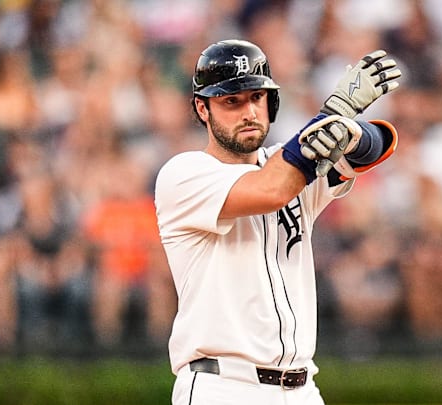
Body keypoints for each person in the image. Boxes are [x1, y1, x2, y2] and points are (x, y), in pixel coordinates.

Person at [154, 39, 401, 404]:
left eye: (257, 98)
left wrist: (350, 132)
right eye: (231, 101)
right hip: (222, 386)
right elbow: (272, 189)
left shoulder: (288, 163)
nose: (249, 112)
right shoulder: (183, 174)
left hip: (302, 388)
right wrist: (337, 110)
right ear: (202, 109)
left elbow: (376, 146)